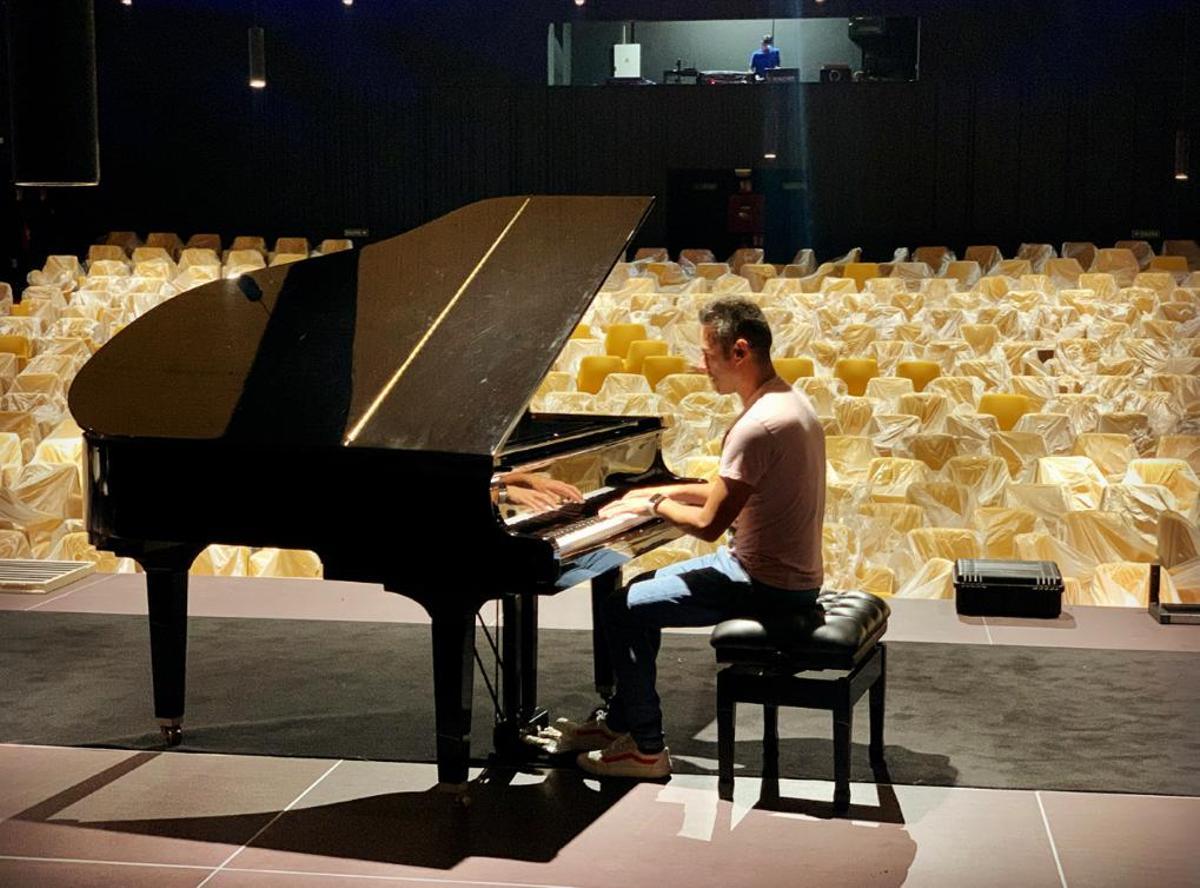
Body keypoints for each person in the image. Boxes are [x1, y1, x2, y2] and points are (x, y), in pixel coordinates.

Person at [553, 296, 826, 778]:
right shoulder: (789, 402)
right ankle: (619, 719)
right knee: (639, 590)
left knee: (622, 611)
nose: (700, 366)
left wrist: (653, 504)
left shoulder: (757, 426)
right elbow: (722, 490)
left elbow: (708, 525)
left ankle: (647, 749)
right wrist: (650, 490)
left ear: (739, 352)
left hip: (764, 583)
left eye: (707, 354)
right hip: (785, 574)